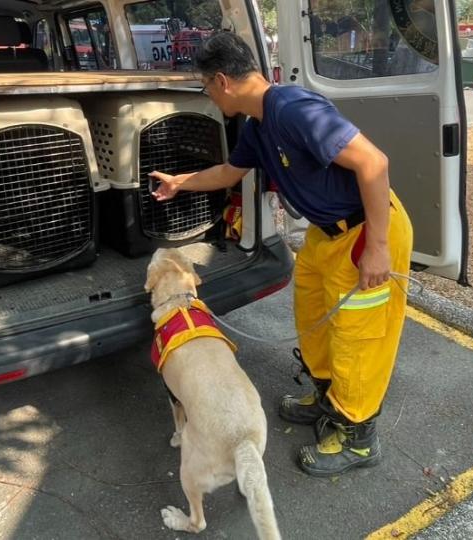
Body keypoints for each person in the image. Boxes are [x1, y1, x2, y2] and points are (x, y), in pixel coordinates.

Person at [149, 32, 413, 477]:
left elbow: (374, 164)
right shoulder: (257, 125)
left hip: (366, 232)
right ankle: (326, 399)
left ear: (222, 81)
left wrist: (379, 248)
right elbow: (230, 172)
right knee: (315, 321)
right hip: (325, 235)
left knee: (359, 337)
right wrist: (182, 181)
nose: (209, 98)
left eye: (206, 89)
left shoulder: (292, 110)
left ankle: (358, 435)